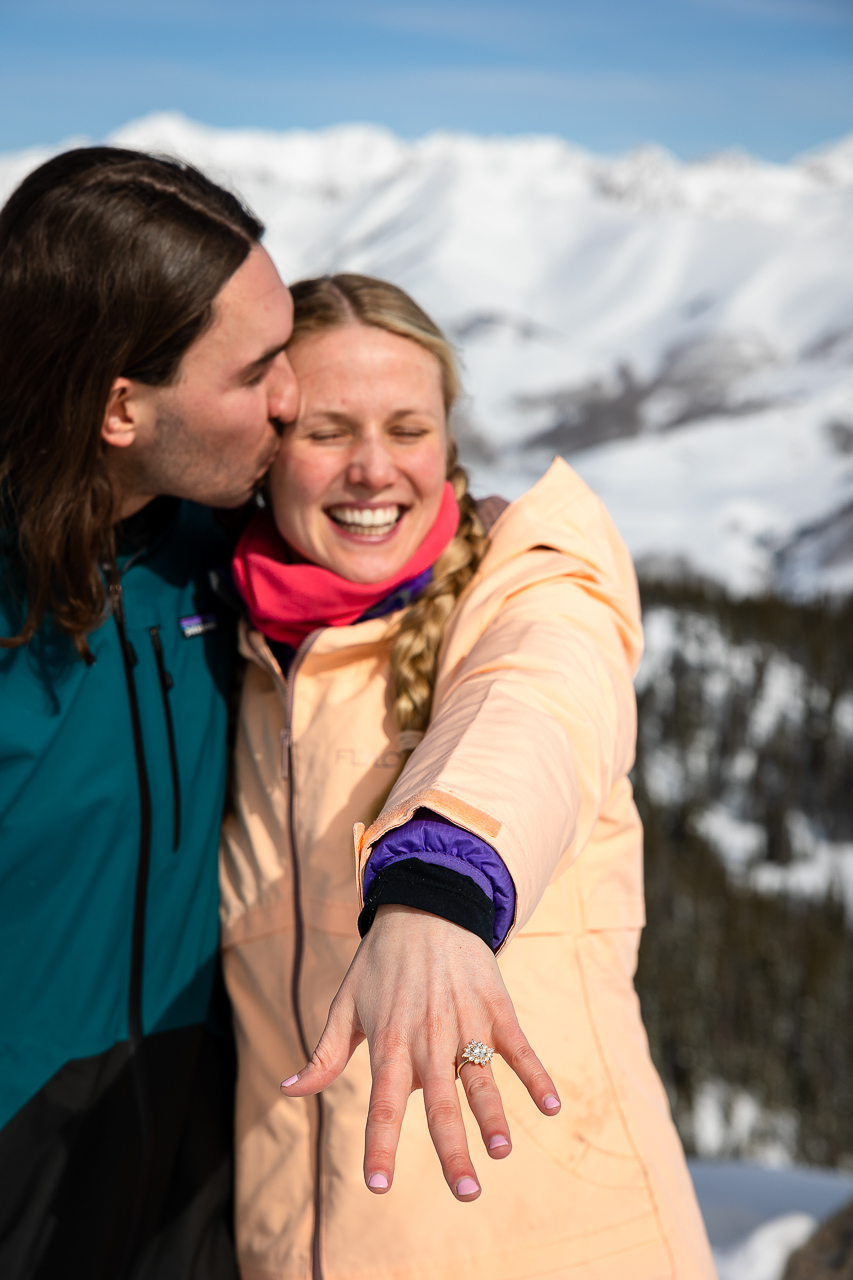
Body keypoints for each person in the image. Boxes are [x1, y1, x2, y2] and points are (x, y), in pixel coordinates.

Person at [221, 274, 717, 1279]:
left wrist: (438, 885)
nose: (372, 470)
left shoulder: (527, 586)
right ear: (268, 447)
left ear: (446, 443)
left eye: (407, 427)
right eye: (327, 431)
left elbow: (532, 707)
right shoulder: (238, 653)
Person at [0, 147, 298, 1278]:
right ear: (121, 405)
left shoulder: (220, 543)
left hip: (198, 1168)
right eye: (257, 368)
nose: (293, 397)